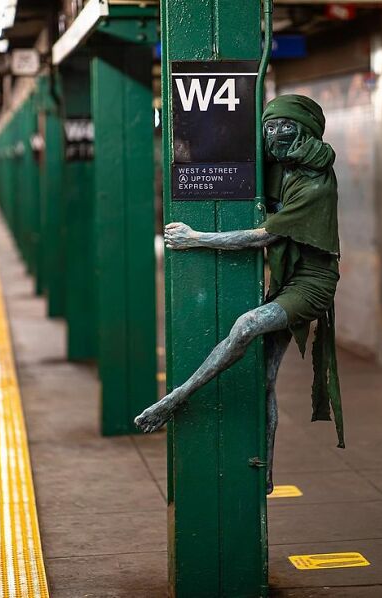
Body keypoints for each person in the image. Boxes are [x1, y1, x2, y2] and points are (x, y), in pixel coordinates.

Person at [134, 94, 343, 493]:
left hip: (312, 282)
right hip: (284, 278)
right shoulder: (274, 165)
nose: (278, 134)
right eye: (271, 126)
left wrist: (198, 238)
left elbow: (264, 235)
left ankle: (174, 399)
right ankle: (266, 470)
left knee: (247, 324)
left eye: (288, 127)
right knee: (265, 380)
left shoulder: (316, 180)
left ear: (307, 130)